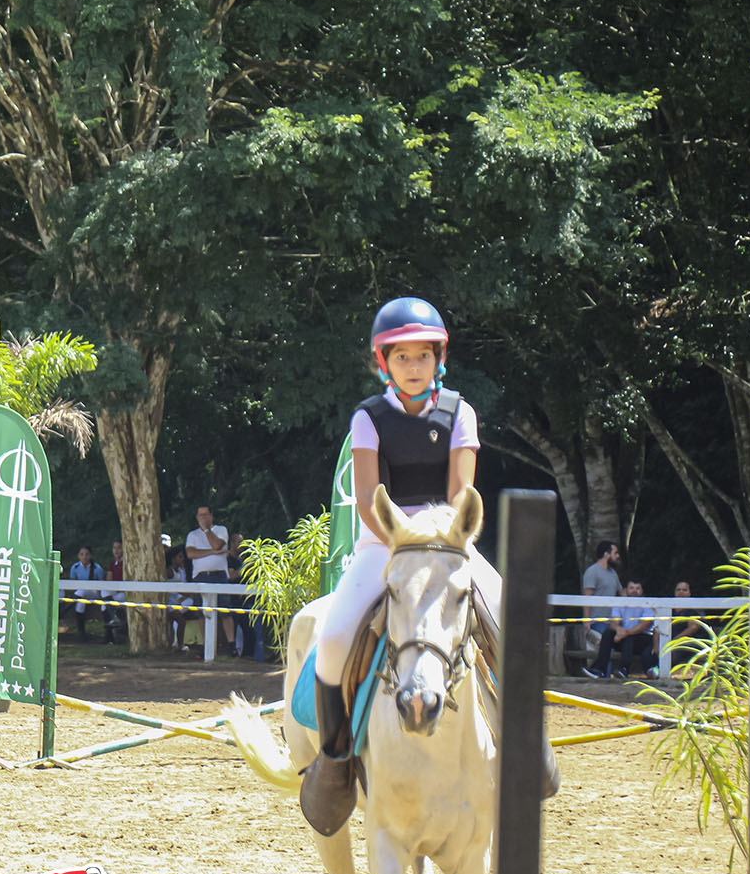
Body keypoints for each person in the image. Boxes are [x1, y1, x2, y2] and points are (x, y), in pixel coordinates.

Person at [298, 296, 545, 838]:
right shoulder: (368, 417)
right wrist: (402, 544)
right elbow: (367, 498)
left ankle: (529, 741)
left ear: (439, 359)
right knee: (337, 636)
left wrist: (436, 542)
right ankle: (336, 761)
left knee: (511, 620)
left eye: (423, 357)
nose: (414, 367)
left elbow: (462, 492)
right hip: (382, 546)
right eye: (402, 357)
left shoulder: (461, 413)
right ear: (382, 362)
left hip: (449, 544)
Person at [185, 506, 237, 655]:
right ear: (196, 517)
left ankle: (231, 645)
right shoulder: (192, 535)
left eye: (205, 514)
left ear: (211, 515)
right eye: (200, 515)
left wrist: (207, 530)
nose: (203, 517)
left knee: (225, 610)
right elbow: (190, 553)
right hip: (200, 576)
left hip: (219, 575)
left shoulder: (221, 530)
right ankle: (205, 645)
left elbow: (217, 544)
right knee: (201, 612)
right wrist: (212, 552)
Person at [594, 579, 655, 679]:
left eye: (637, 588)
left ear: (642, 590)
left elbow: (645, 625)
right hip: (622, 638)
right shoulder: (620, 603)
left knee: (629, 638)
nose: (634, 591)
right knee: (608, 633)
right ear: (626, 590)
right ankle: (600, 670)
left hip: (642, 640)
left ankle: (624, 669)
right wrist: (619, 630)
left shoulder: (647, 604)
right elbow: (614, 622)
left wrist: (625, 633)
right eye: (631, 588)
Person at [582, 541, 623, 648]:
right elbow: (587, 597)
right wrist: (587, 621)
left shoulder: (613, 573)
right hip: (597, 622)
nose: (618, 556)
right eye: (615, 553)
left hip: (613, 622)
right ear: (606, 554)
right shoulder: (592, 572)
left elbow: (622, 592)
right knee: (602, 651)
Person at [67, 546, 109, 644]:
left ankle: (68, 605)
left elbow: (101, 585)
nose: (84, 557)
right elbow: (72, 583)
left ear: (90, 555)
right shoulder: (75, 567)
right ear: (78, 556)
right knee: (80, 603)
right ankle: (81, 633)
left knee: (82, 590)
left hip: (94, 593)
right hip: (81, 596)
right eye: (82, 554)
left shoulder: (97, 568)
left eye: (86, 554)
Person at [165, 546, 191, 652]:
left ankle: (172, 645)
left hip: (174, 601)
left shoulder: (179, 570)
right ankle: (180, 644)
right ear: (173, 558)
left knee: (172, 623)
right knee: (181, 621)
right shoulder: (169, 571)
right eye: (180, 557)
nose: (182, 559)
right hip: (169, 602)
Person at [103, 540, 125, 642]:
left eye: (119, 547)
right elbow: (109, 581)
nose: (116, 550)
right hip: (115, 592)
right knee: (104, 596)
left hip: (125, 593)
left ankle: (110, 637)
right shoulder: (113, 564)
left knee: (105, 604)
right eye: (114, 548)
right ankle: (109, 635)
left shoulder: (127, 563)